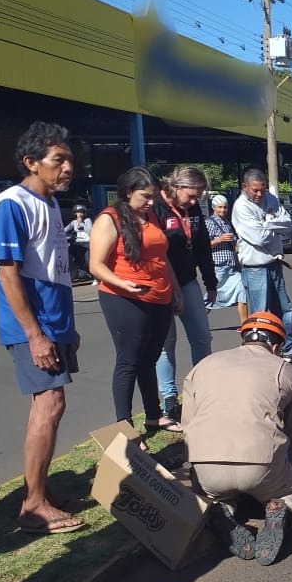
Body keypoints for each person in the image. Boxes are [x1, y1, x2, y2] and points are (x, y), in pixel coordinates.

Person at [0, 121, 85, 534]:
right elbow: (8, 274)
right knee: (50, 404)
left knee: (51, 407)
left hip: (55, 323)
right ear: (31, 162)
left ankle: (41, 491)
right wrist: (34, 334)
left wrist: (67, 327)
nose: (68, 168)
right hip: (33, 326)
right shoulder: (13, 204)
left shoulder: (51, 204)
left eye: (69, 160)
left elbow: (55, 271)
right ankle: (33, 506)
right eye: (58, 160)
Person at [182, 312, 292, 565]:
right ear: (276, 346)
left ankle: (221, 509)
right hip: (260, 465)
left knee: (217, 496)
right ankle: (283, 508)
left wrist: (194, 466)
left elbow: (188, 425)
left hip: (207, 465)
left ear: (244, 337)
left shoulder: (203, 365)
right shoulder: (285, 370)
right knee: (289, 493)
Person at [89, 166, 183, 433]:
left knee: (149, 358)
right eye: (145, 196)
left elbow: (162, 258)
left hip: (159, 297)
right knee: (128, 361)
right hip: (124, 298)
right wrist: (123, 284)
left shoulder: (150, 215)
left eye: (154, 196)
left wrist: (175, 290)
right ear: (128, 192)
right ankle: (125, 426)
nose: (151, 202)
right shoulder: (109, 219)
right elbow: (95, 265)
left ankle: (153, 416)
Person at [153, 165, 218, 420]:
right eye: (191, 195)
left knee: (202, 337)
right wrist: (170, 290)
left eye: (198, 197)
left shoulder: (193, 209)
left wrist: (210, 282)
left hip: (189, 280)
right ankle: (169, 398)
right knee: (166, 343)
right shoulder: (156, 206)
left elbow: (202, 246)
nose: (194, 201)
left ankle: (202, 389)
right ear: (176, 186)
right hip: (162, 284)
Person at [231, 167, 292, 362]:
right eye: (255, 190)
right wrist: (273, 226)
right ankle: (260, 354)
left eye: (262, 189)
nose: (259, 194)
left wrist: (266, 225)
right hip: (255, 268)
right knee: (260, 314)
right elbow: (259, 238)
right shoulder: (241, 207)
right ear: (245, 187)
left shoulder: (271, 198)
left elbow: (288, 224)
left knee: (284, 309)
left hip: (275, 263)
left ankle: (289, 348)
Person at [204, 194, 248, 324]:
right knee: (210, 298)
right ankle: (198, 320)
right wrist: (220, 240)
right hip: (218, 267)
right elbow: (204, 245)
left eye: (225, 207)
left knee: (242, 292)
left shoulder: (227, 223)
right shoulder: (209, 222)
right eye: (219, 207)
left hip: (231, 267)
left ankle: (245, 325)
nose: (222, 210)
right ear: (213, 208)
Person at [65, 203, 93, 281]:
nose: (80, 214)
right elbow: (65, 230)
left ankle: (86, 272)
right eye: (78, 212)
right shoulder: (73, 222)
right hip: (77, 242)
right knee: (68, 253)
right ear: (75, 213)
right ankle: (76, 271)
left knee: (87, 260)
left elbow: (90, 231)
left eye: (81, 212)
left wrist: (82, 223)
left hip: (87, 242)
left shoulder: (87, 220)